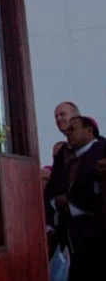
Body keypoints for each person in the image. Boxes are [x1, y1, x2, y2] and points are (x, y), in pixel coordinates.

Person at [44, 116, 106, 279]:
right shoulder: (66, 159)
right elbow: (52, 190)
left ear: (89, 130)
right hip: (68, 234)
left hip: (95, 233)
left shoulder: (102, 149)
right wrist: (56, 202)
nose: (67, 133)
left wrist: (72, 204)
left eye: (73, 129)